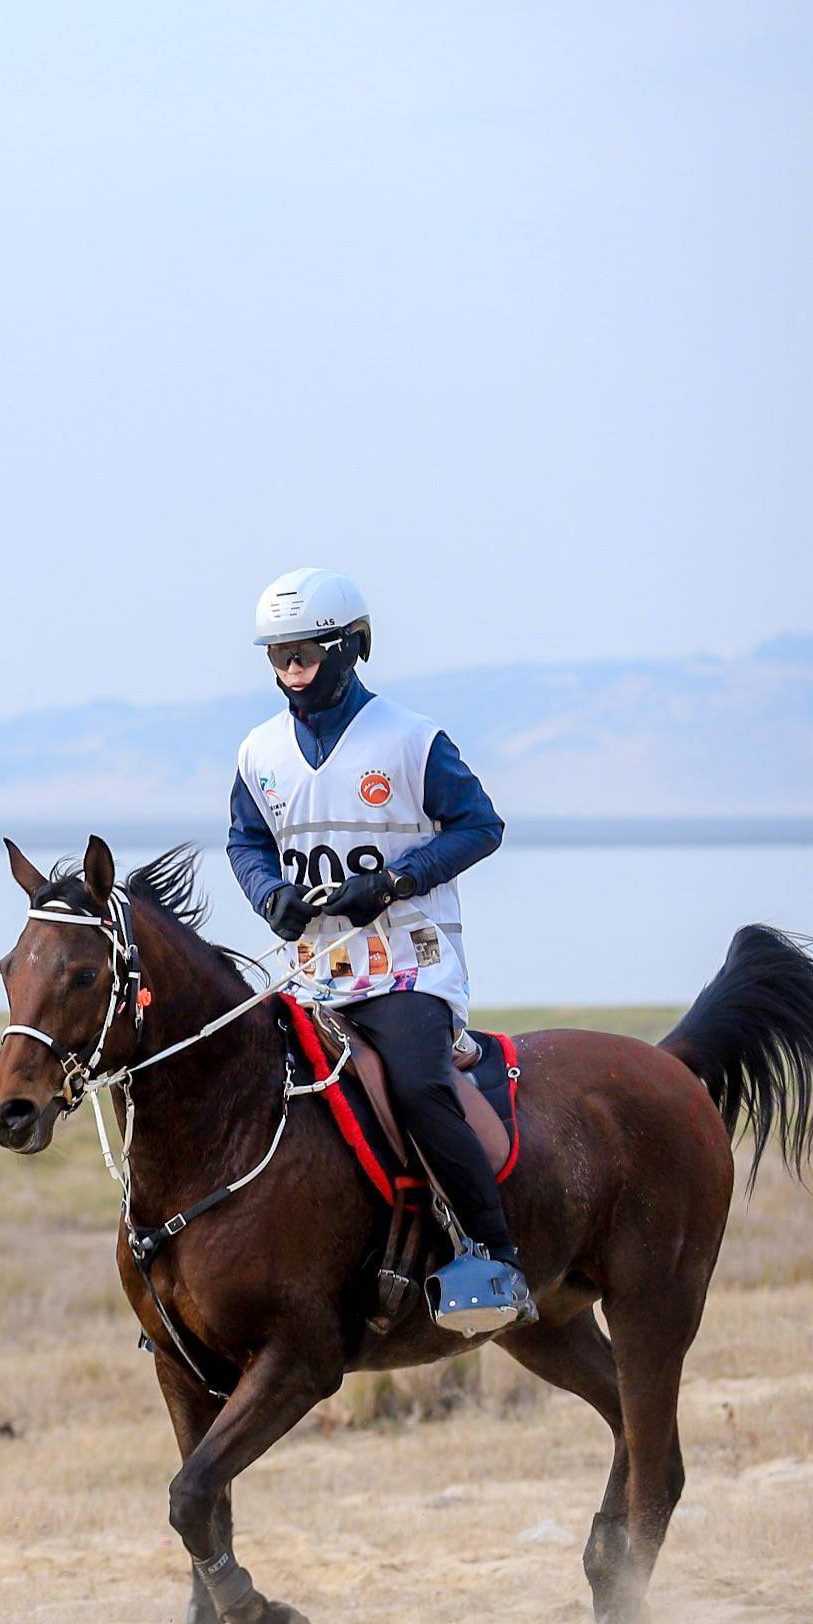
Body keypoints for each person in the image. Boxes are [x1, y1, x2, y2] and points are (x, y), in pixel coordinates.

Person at [227, 567, 533, 1327]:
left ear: (350, 647)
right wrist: (268, 895)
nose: (290, 669)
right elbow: (245, 841)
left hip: (406, 968)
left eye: (305, 652)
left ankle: (495, 1258)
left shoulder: (411, 740)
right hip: (312, 975)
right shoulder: (258, 752)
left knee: (418, 1086)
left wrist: (396, 881)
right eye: (278, 655)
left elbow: (481, 826)